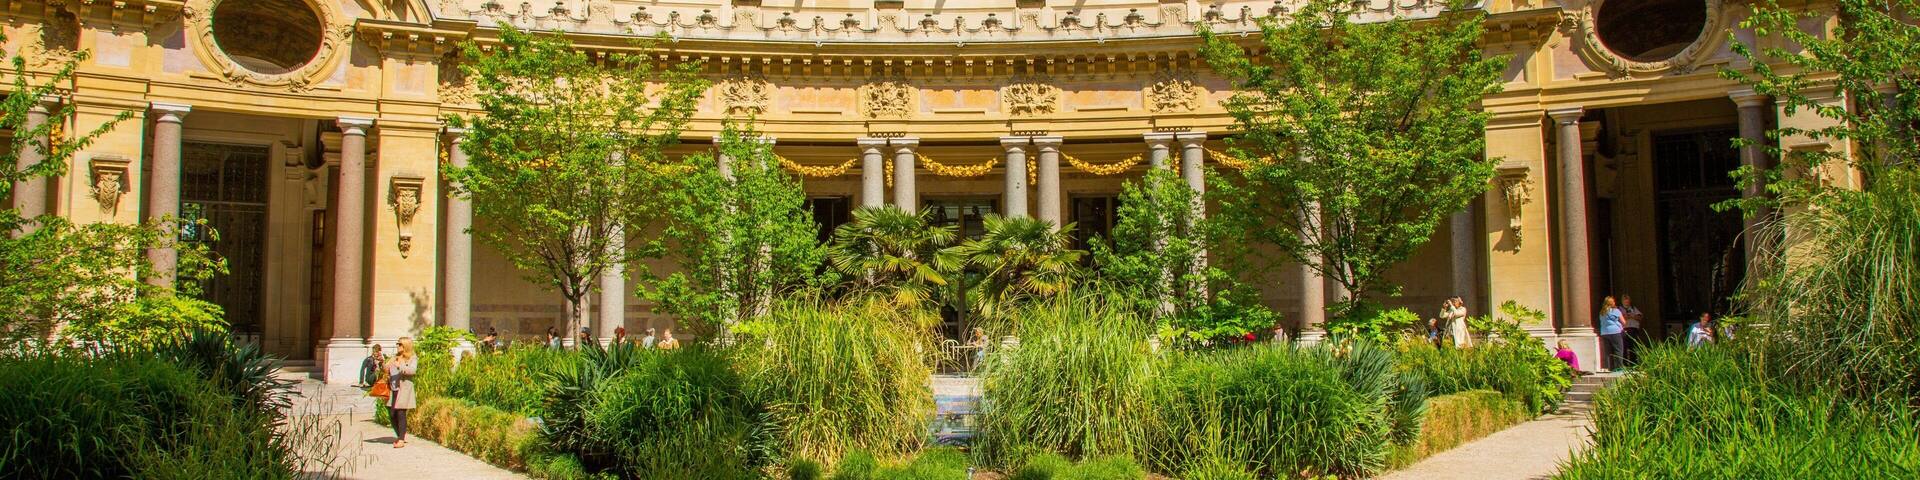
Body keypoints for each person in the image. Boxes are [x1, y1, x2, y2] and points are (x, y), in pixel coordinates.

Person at [386, 337, 419, 448]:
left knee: (400, 413)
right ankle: (400, 435)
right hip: (393, 389)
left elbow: (412, 370)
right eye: (397, 344)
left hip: (404, 389)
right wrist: (383, 364)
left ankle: (401, 439)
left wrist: (400, 365)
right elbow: (386, 370)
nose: (398, 346)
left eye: (400, 344)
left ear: (405, 346)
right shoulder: (394, 357)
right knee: (392, 414)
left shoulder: (412, 358)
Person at [1598, 296, 1626, 373]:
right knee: (1618, 350)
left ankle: (1610, 367)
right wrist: (1621, 327)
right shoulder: (1615, 311)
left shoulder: (1602, 312)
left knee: (1608, 351)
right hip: (1615, 332)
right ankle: (1619, 368)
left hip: (1604, 332)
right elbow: (1623, 322)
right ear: (1612, 303)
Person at [1620, 295, 1644, 364]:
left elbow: (1640, 317)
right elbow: (1619, 318)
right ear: (1622, 302)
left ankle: (1633, 363)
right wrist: (1626, 316)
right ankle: (1624, 363)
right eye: (1625, 301)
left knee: (1633, 346)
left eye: (1628, 301)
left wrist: (1632, 316)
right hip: (1624, 329)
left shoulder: (1633, 308)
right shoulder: (1619, 309)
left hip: (1633, 329)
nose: (1627, 303)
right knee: (1624, 346)